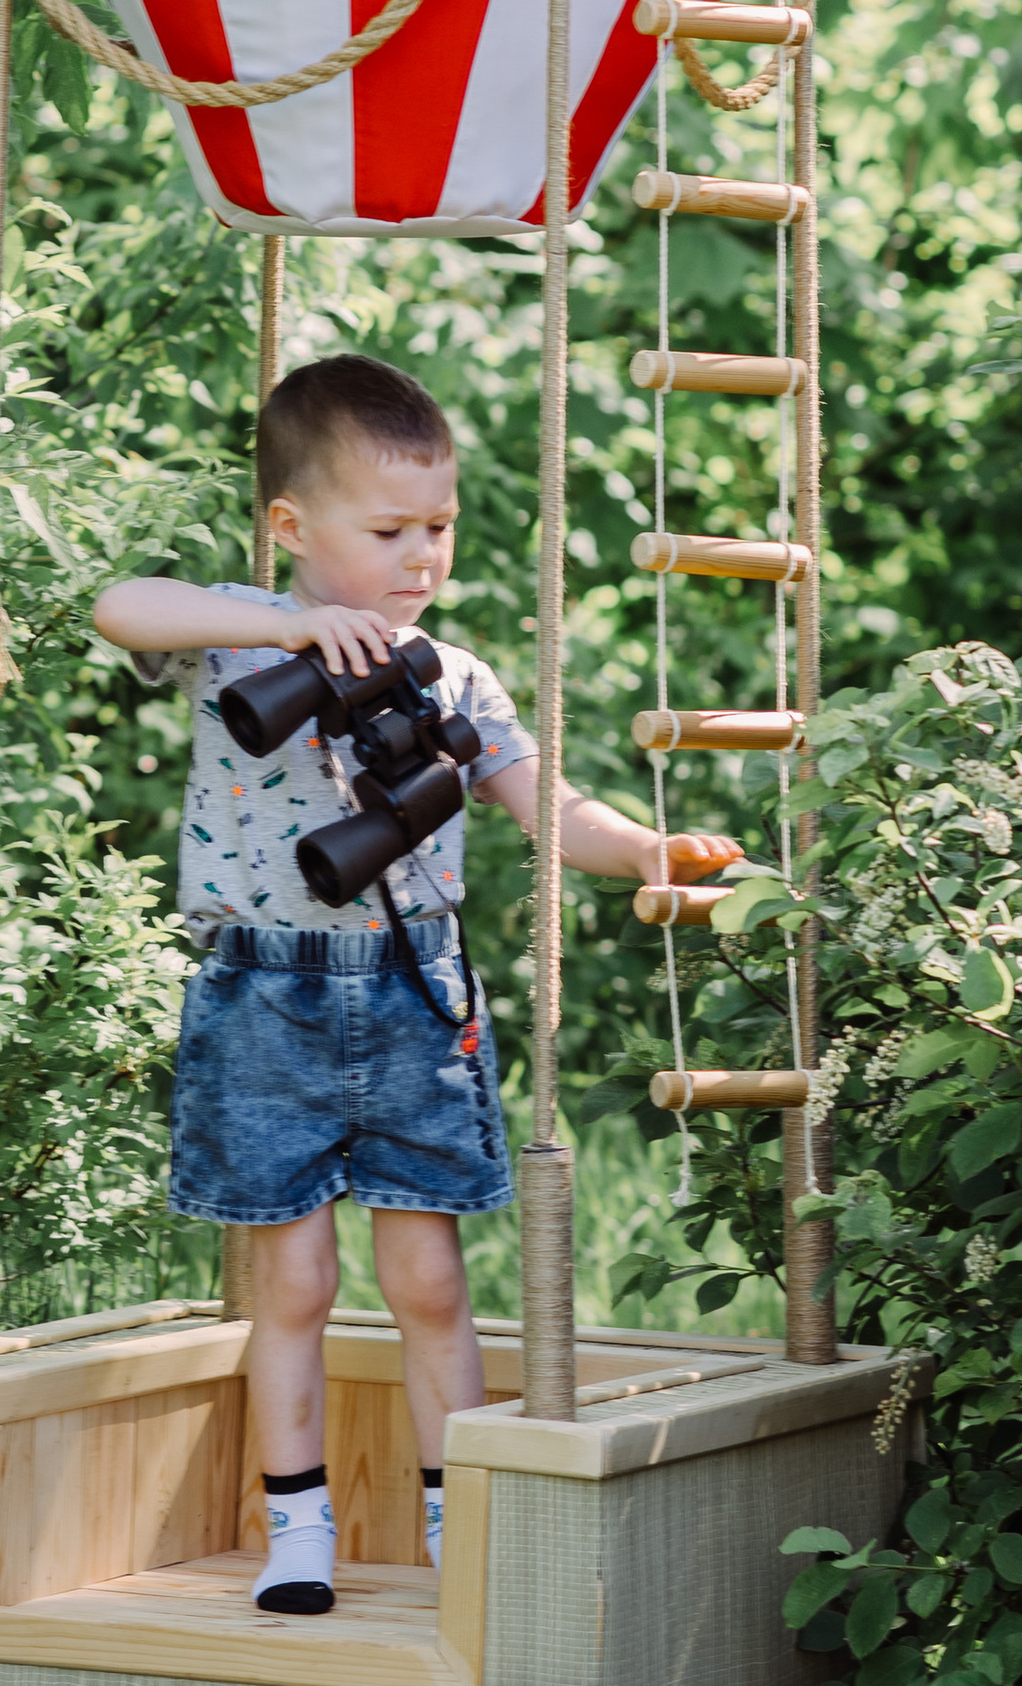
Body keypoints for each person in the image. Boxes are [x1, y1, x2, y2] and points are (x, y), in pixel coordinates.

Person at [92, 352, 739, 1616]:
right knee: (294, 1285)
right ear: (291, 527)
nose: (419, 556)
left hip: (407, 993)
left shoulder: (453, 676)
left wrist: (652, 854)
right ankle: (297, 1535)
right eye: (386, 529)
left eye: (436, 526)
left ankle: (462, 1531)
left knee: (431, 1282)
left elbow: (550, 810)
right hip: (261, 992)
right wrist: (283, 627)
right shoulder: (237, 644)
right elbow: (123, 605)